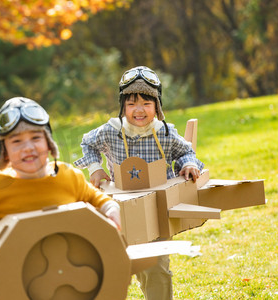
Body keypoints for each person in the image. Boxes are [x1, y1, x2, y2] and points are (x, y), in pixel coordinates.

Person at [74, 66, 204, 300]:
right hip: (122, 211)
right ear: (123, 106)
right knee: (119, 266)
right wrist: (95, 168)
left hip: (156, 211)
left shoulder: (165, 133)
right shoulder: (111, 131)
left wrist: (187, 164)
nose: (139, 110)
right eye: (132, 103)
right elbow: (87, 143)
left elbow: (186, 152)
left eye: (146, 103)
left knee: (156, 267)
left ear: (157, 106)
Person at [0, 96, 121, 258]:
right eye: (16, 141)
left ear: (48, 144)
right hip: (18, 274)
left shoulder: (68, 176)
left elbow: (97, 198)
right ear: (5, 152)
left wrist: (111, 209)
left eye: (35, 138)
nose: (28, 147)